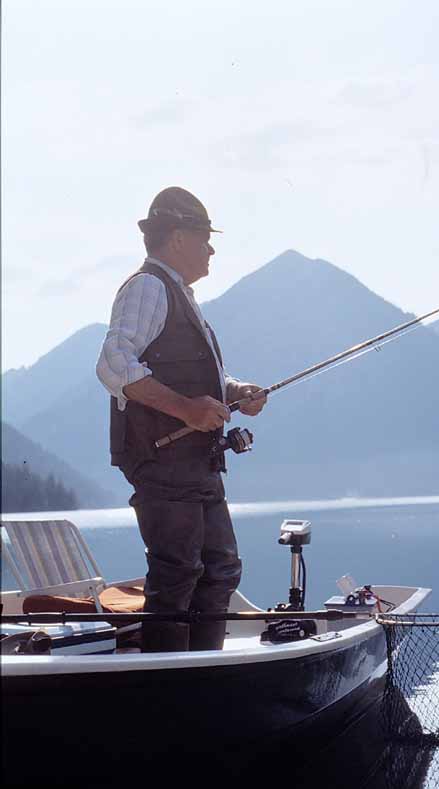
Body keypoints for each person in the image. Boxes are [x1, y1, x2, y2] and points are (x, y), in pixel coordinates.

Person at [96, 186, 266, 653]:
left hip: (195, 462)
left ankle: (202, 669)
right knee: (178, 574)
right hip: (164, 460)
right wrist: (188, 410)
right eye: (203, 236)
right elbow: (114, 366)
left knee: (220, 571)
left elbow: (190, 374)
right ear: (175, 239)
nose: (211, 247)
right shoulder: (149, 287)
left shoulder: (179, 294)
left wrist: (234, 392)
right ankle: (167, 683)